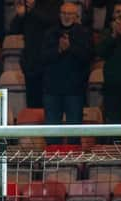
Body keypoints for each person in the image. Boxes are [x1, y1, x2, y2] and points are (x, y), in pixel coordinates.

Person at [41, 2, 91, 144]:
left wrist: (70, 48)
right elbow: (43, 57)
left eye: (70, 14)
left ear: (76, 16)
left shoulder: (84, 33)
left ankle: (73, 162)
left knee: (74, 130)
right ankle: (53, 161)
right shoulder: (50, 33)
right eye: (64, 13)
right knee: (51, 131)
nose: (66, 16)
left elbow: (87, 57)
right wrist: (59, 50)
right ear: (59, 15)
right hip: (52, 89)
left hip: (75, 89)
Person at [10, 0, 62, 108]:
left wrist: (33, 9)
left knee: (50, 106)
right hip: (31, 63)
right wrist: (20, 15)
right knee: (32, 106)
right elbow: (14, 29)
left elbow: (53, 21)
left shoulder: (53, 3)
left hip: (50, 63)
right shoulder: (28, 5)